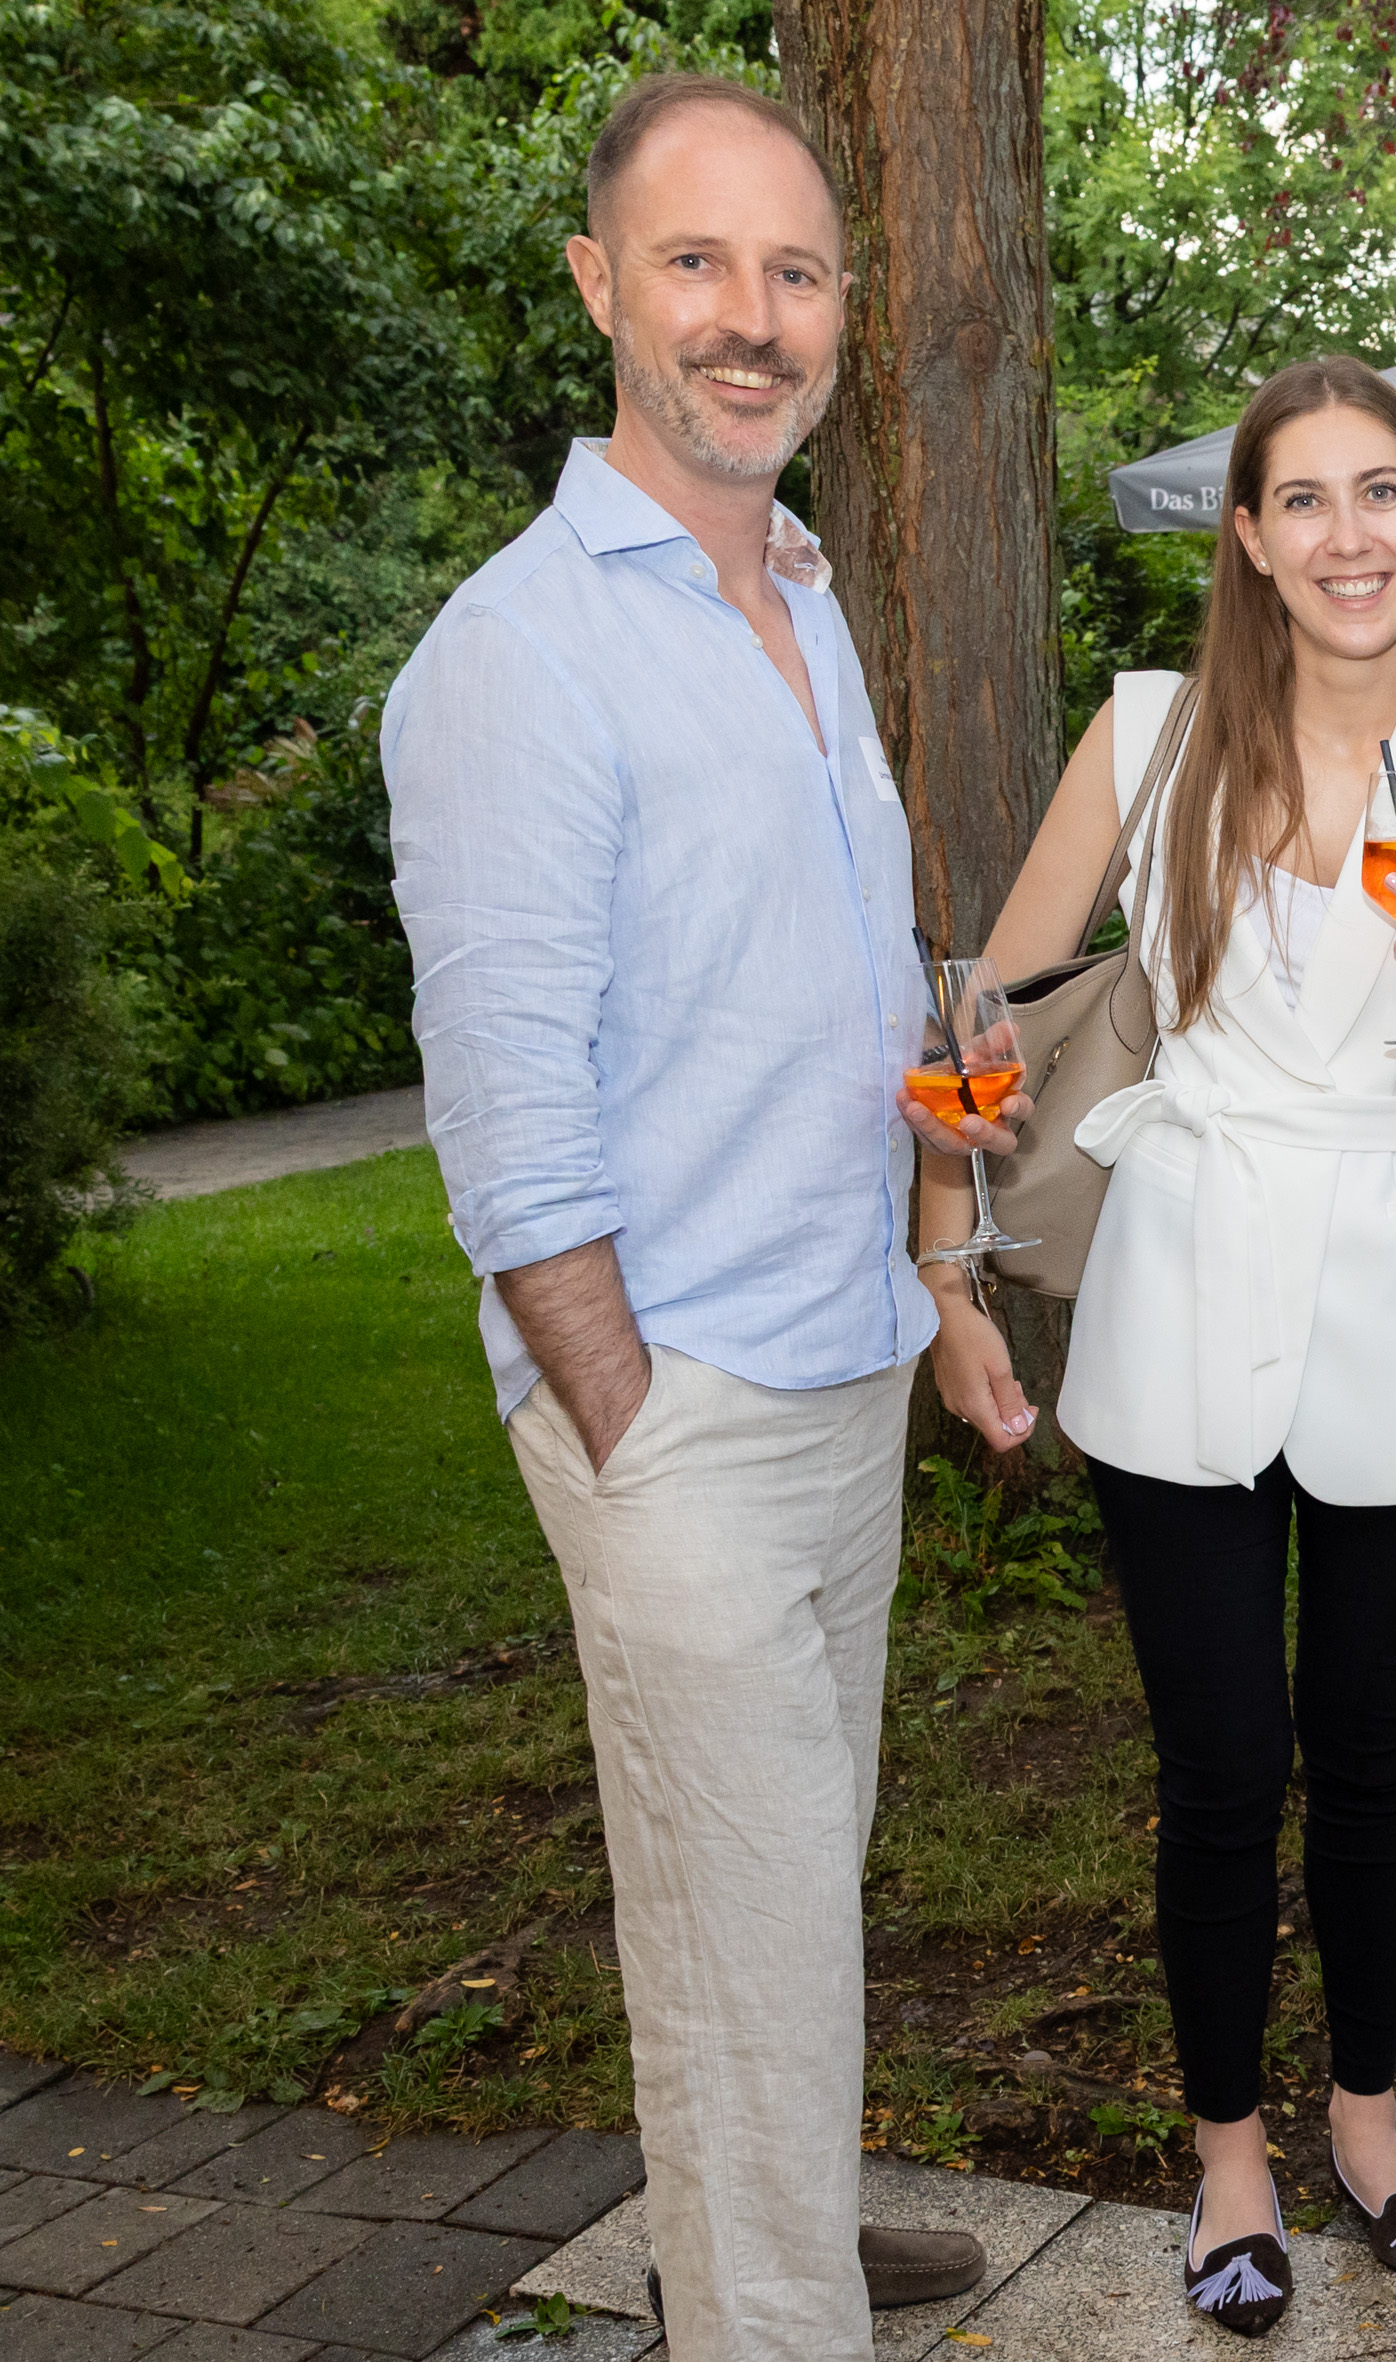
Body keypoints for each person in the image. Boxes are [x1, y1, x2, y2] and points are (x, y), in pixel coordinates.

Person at [385, 72, 999, 2362]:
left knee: (776, 1912)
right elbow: (508, 1127)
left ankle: (762, 2234)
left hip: (841, 1363)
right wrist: (631, 1434)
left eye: (797, 269)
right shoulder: (518, 651)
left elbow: (807, 971)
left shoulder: (804, 599)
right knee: (750, 1931)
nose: (753, 316)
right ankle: (767, 2298)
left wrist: (941, 1080)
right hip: (683, 1410)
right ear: (598, 287)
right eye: (698, 262)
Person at [922, 355, 1396, 2338]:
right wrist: (949, 1271)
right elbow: (979, 1018)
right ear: (1248, 536)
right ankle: (1229, 2151)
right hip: (1184, 1295)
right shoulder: (1149, 737)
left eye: (1382, 493)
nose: (1347, 534)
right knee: (1220, 1763)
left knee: (1369, 1750)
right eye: (1304, 498)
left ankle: (1370, 2125)